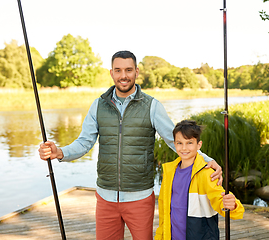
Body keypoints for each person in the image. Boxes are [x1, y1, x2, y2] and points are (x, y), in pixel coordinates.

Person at [38, 50, 223, 240]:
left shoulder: (152, 106)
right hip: (105, 198)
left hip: (140, 198)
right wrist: (59, 152)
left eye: (128, 70)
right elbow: (84, 142)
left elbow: (174, 141)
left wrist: (208, 161)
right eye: (118, 70)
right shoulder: (98, 105)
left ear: (137, 72)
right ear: (111, 73)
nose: (123, 75)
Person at [155, 120, 244, 240]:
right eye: (179, 143)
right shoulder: (169, 172)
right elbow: (164, 212)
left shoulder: (206, 173)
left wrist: (232, 205)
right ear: (174, 144)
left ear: (199, 145)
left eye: (190, 143)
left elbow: (219, 200)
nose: (184, 148)